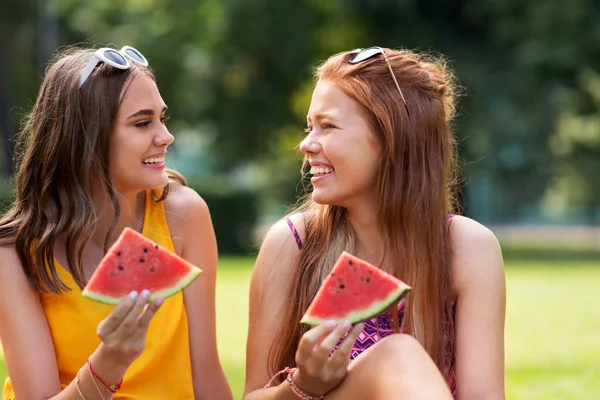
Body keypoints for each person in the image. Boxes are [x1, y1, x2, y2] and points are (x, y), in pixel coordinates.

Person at [243, 46, 506, 399]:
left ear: (392, 139)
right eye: (309, 127)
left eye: (327, 126)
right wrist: (304, 386)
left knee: (399, 354)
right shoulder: (292, 243)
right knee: (398, 353)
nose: (306, 144)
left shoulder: (469, 246)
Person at [0, 45, 233, 400]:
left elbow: (206, 377)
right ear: (85, 139)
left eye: (162, 118)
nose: (165, 137)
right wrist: (110, 362)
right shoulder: (13, 254)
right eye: (142, 123)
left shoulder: (184, 214)